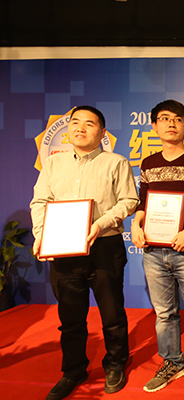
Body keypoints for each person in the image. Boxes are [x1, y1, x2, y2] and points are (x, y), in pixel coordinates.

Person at [30, 106, 139, 400]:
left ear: (102, 132)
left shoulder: (116, 162)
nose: (80, 128)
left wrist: (100, 224)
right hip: (62, 248)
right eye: (75, 122)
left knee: (112, 313)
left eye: (89, 124)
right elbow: (40, 201)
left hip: (104, 247)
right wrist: (41, 235)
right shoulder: (53, 163)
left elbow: (129, 200)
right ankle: (73, 370)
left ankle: (115, 363)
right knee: (70, 317)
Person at [131, 100, 184, 394]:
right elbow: (143, 201)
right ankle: (173, 362)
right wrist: (135, 224)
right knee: (164, 314)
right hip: (154, 252)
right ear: (154, 126)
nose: (171, 124)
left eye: (178, 119)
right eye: (165, 119)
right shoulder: (148, 163)